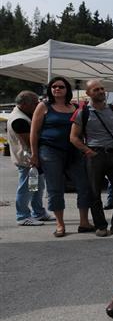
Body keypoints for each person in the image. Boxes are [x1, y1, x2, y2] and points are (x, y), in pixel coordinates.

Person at [30, 77, 94, 237]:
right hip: (50, 151)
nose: (57, 89)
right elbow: (34, 132)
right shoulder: (43, 106)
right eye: (53, 87)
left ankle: (84, 222)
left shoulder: (75, 107)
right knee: (55, 188)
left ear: (67, 89)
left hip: (74, 151)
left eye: (61, 86)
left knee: (84, 185)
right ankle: (60, 224)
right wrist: (34, 154)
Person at [70, 79, 113, 237]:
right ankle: (101, 226)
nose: (100, 91)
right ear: (88, 93)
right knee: (94, 192)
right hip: (95, 155)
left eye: (102, 88)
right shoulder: (82, 112)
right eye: (96, 89)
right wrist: (88, 151)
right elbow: (73, 137)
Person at [7, 90, 52, 226]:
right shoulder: (19, 120)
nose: (38, 105)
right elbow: (30, 142)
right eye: (35, 103)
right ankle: (22, 216)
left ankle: (38, 213)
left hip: (32, 160)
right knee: (26, 188)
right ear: (25, 104)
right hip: (27, 160)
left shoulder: (23, 114)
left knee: (37, 187)